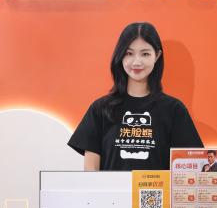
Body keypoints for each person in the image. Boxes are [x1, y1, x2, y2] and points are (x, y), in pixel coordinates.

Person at [68, 22, 203, 170]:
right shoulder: (100, 109)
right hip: (112, 187)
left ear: (157, 56)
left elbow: (188, 171)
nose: (137, 62)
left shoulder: (174, 110)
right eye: (129, 53)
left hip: (157, 187)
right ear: (120, 56)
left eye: (145, 54)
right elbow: (90, 171)